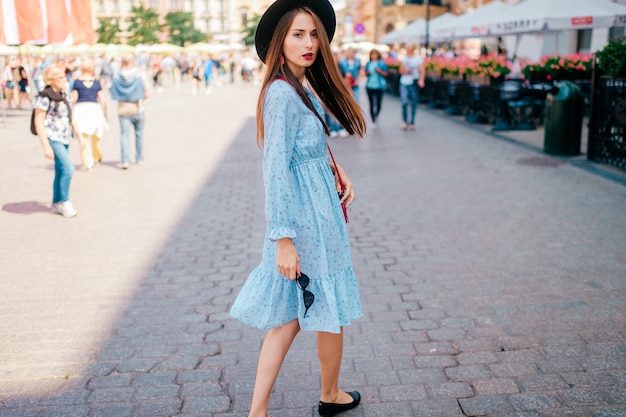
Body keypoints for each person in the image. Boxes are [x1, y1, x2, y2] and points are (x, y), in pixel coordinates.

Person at [229, 1, 366, 416]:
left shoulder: (297, 87)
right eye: (297, 34)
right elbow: (275, 169)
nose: (308, 43)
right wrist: (283, 239)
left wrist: (335, 167)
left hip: (318, 216)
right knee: (309, 312)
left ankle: (325, 394)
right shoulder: (280, 93)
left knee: (309, 312)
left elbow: (303, 148)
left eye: (312, 35)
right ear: (280, 41)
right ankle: (273, 408)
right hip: (306, 223)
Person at [32, 65, 84, 218]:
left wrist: (80, 137)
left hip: (65, 135)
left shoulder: (64, 94)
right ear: (51, 80)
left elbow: (70, 116)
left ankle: (56, 202)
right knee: (68, 168)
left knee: (61, 169)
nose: (64, 80)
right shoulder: (44, 96)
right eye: (60, 78)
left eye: (64, 77)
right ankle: (63, 201)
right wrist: (46, 146)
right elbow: (38, 121)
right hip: (53, 136)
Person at [110, 53, 150, 169]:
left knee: (124, 136)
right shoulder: (139, 74)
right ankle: (139, 157)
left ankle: (125, 160)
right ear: (133, 61)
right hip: (138, 107)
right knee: (139, 135)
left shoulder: (117, 75)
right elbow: (147, 93)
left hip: (123, 109)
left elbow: (113, 92)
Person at [71, 61, 109, 171]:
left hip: (81, 109)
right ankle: (97, 156)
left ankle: (88, 163)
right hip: (94, 109)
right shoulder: (96, 82)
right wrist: (104, 112)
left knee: (83, 137)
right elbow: (102, 99)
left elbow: (74, 98)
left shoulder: (77, 82)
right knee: (96, 136)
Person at [399, 45, 425, 131]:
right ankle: (405, 121)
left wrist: (421, 79)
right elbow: (400, 70)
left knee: (413, 102)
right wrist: (405, 71)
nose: (407, 50)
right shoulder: (405, 58)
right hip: (404, 82)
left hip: (413, 82)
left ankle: (412, 122)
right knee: (404, 102)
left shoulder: (418, 58)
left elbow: (422, 69)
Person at [364, 49, 389, 128]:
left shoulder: (381, 63)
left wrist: (379, 71)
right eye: (372, 54)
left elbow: (386, 73)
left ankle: (376, 114)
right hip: (370, 86)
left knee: (378, 103)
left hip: (379, 86)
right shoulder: (368, 64)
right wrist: (367, 73)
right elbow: (365, 73)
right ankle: (373, 119)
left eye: (375, 54)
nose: (374, 56)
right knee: (371, 103)